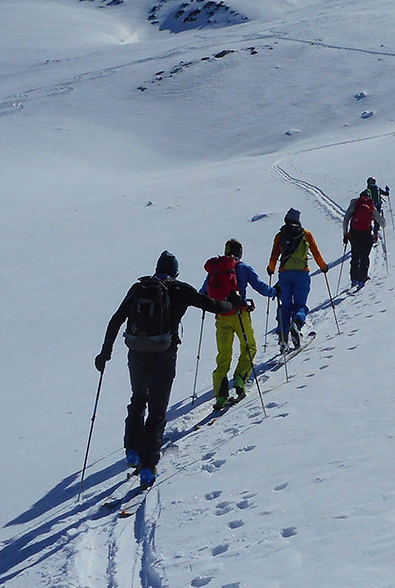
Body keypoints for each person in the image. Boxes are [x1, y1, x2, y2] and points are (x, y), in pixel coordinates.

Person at [96, 251, 234, 488]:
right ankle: (148, 468)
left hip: (137, 353)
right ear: (175, 271)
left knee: (138, 397)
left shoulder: (139, 288)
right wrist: (234, 302)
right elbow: (213, 306)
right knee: (158, 409)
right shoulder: (179, 290)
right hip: (164, 354)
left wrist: (105, 352)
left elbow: (116, 319)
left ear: (157, 268)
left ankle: (132, 449)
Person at [200, 239, 275, 409]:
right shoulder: (242, 267)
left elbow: (203, 292)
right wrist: (274, 292)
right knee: (250, 347)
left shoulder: (215, 270)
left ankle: (220, 397)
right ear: (240, 252)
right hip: (240, 315)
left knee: (223, 356)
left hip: (221, 316)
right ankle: (241, 378)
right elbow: (260, 286)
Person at [266, 208, 329, 351]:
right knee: (300, 304)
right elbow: (316, 253)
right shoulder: (306, 234)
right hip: (302, 274)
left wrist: (271, 269)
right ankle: (297, 324)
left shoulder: (280, 235)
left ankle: (283, 335)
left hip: (285, 274)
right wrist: (323, 267)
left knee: (286, 305)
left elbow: (274, 256)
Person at [341, 189, 385, 288]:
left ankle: (354, 279)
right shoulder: (371, 206)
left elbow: (345, 220)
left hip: (354, 234)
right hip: (366, 234)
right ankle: (362, 279)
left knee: (355, 256)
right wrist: (382, 218)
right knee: (364, 256)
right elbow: (383, 224)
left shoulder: (354, 205)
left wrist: (345, 234)